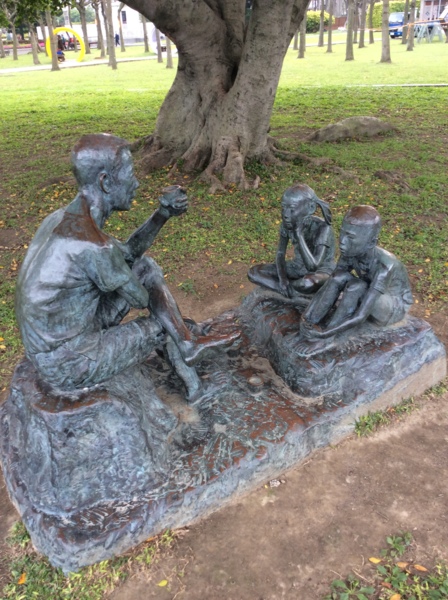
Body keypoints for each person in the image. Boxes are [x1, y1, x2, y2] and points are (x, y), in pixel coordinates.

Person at [16, 134, 239, 392]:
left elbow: (129, 255)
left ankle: (187, 342)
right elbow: (140, 298)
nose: (136, 184)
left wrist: (163, 214)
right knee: (163, 325)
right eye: (130, 175)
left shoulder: (62, 220)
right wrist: (161, 305)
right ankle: (195, 383)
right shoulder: (94, 245)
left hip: (59, 340)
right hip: (68, 363)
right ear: (106, 182)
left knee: (145, 268)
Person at [298, 205, 413, 354]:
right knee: (339, 276)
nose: (342, 241)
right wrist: (307, 317)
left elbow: (361, 315)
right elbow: (332, 282)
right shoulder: (350, 251)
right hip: (371, 291)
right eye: (342, 234)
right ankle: (312, 321)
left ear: (371, 243)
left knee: (357, 286)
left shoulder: (385, 266)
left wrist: (325, 334)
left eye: (350, 237)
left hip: (393, 306)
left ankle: (329, 340)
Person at [247, 183, 335, 297]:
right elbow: (280, 253)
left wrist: (299, 235)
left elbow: (313, 266)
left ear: (311, 208)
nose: (286, 214)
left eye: (292, 209)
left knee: (309, 282)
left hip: (321, 272)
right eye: (284, 208)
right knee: (253, 272)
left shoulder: (323, 228)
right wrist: (283, 280)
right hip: (297, 267)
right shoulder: (287, 225)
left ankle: (292, 290)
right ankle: (291, 291)